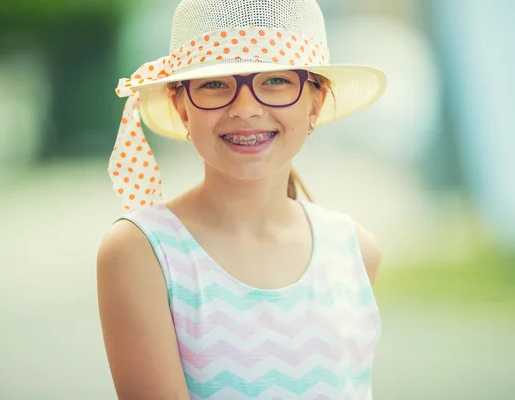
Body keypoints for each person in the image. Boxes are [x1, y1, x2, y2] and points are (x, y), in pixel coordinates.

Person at [97, 0, 387, 398]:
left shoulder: (354, 251)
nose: (246, 109)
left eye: (276, 81)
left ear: (315, 103)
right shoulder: (143, 253)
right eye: (215, 84)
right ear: (182, 108)